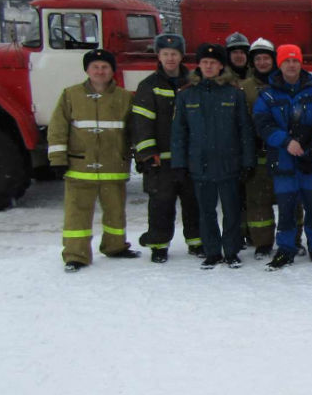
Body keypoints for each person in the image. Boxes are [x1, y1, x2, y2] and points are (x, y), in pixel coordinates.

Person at [48, 48, 140, 272]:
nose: (100, 71)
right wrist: (57, 159)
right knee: (77, 213)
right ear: (87, 70)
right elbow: (58, 128)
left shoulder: (125, 97)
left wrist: (140, 155)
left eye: (105, 67)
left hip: (114, 165)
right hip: (79, 165)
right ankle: (76, 255)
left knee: (115, 211)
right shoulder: (70, 95)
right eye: (95, 67)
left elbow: (134, 130)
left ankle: (115, 246)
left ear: (112, 70)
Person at [171, 43, 256, 269]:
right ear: (198, 65)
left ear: (221, 66)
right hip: (199, 164)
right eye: (205, 62)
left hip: (230, 162)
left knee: (231, 210)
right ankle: (212, 251)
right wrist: (179, 164)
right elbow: (179, 132)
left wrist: (248, 161)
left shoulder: (234, 93)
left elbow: (245, 130)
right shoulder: (186, 94)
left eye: (214, 63)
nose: (209, 66)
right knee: (205, 210)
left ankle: (231, 251)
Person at [253, 44, 312, 270]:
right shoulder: (268, 94)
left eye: (295, 60)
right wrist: (285, 141)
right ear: (279, 64)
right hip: (283, 162)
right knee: (287, 209)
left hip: (311, 161)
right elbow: (262, 124)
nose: (291, 65)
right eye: (287, 61)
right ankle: (285, 250)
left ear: (301, 63)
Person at [131, 33, 202, 262]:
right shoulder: (148, 86)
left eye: (174, 54)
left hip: (190, 157)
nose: (170, 58)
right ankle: (159, 245)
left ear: (181, 56)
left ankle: (197, 242)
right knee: (161, 203)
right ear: (158, 56)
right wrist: (148, 154)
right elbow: (141, 124)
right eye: (165, 54)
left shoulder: (195, 82)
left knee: (194, 202)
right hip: (161, 159)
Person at [238, 38, 279, 259]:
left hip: (283, 152)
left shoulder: (284, 84)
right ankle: (262, 242)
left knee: (291, 199)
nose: (262, 62)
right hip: (257, 152)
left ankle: (291, 239)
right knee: (257, 200)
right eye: (258, 59)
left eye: (266, 58)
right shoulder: (243, 88)